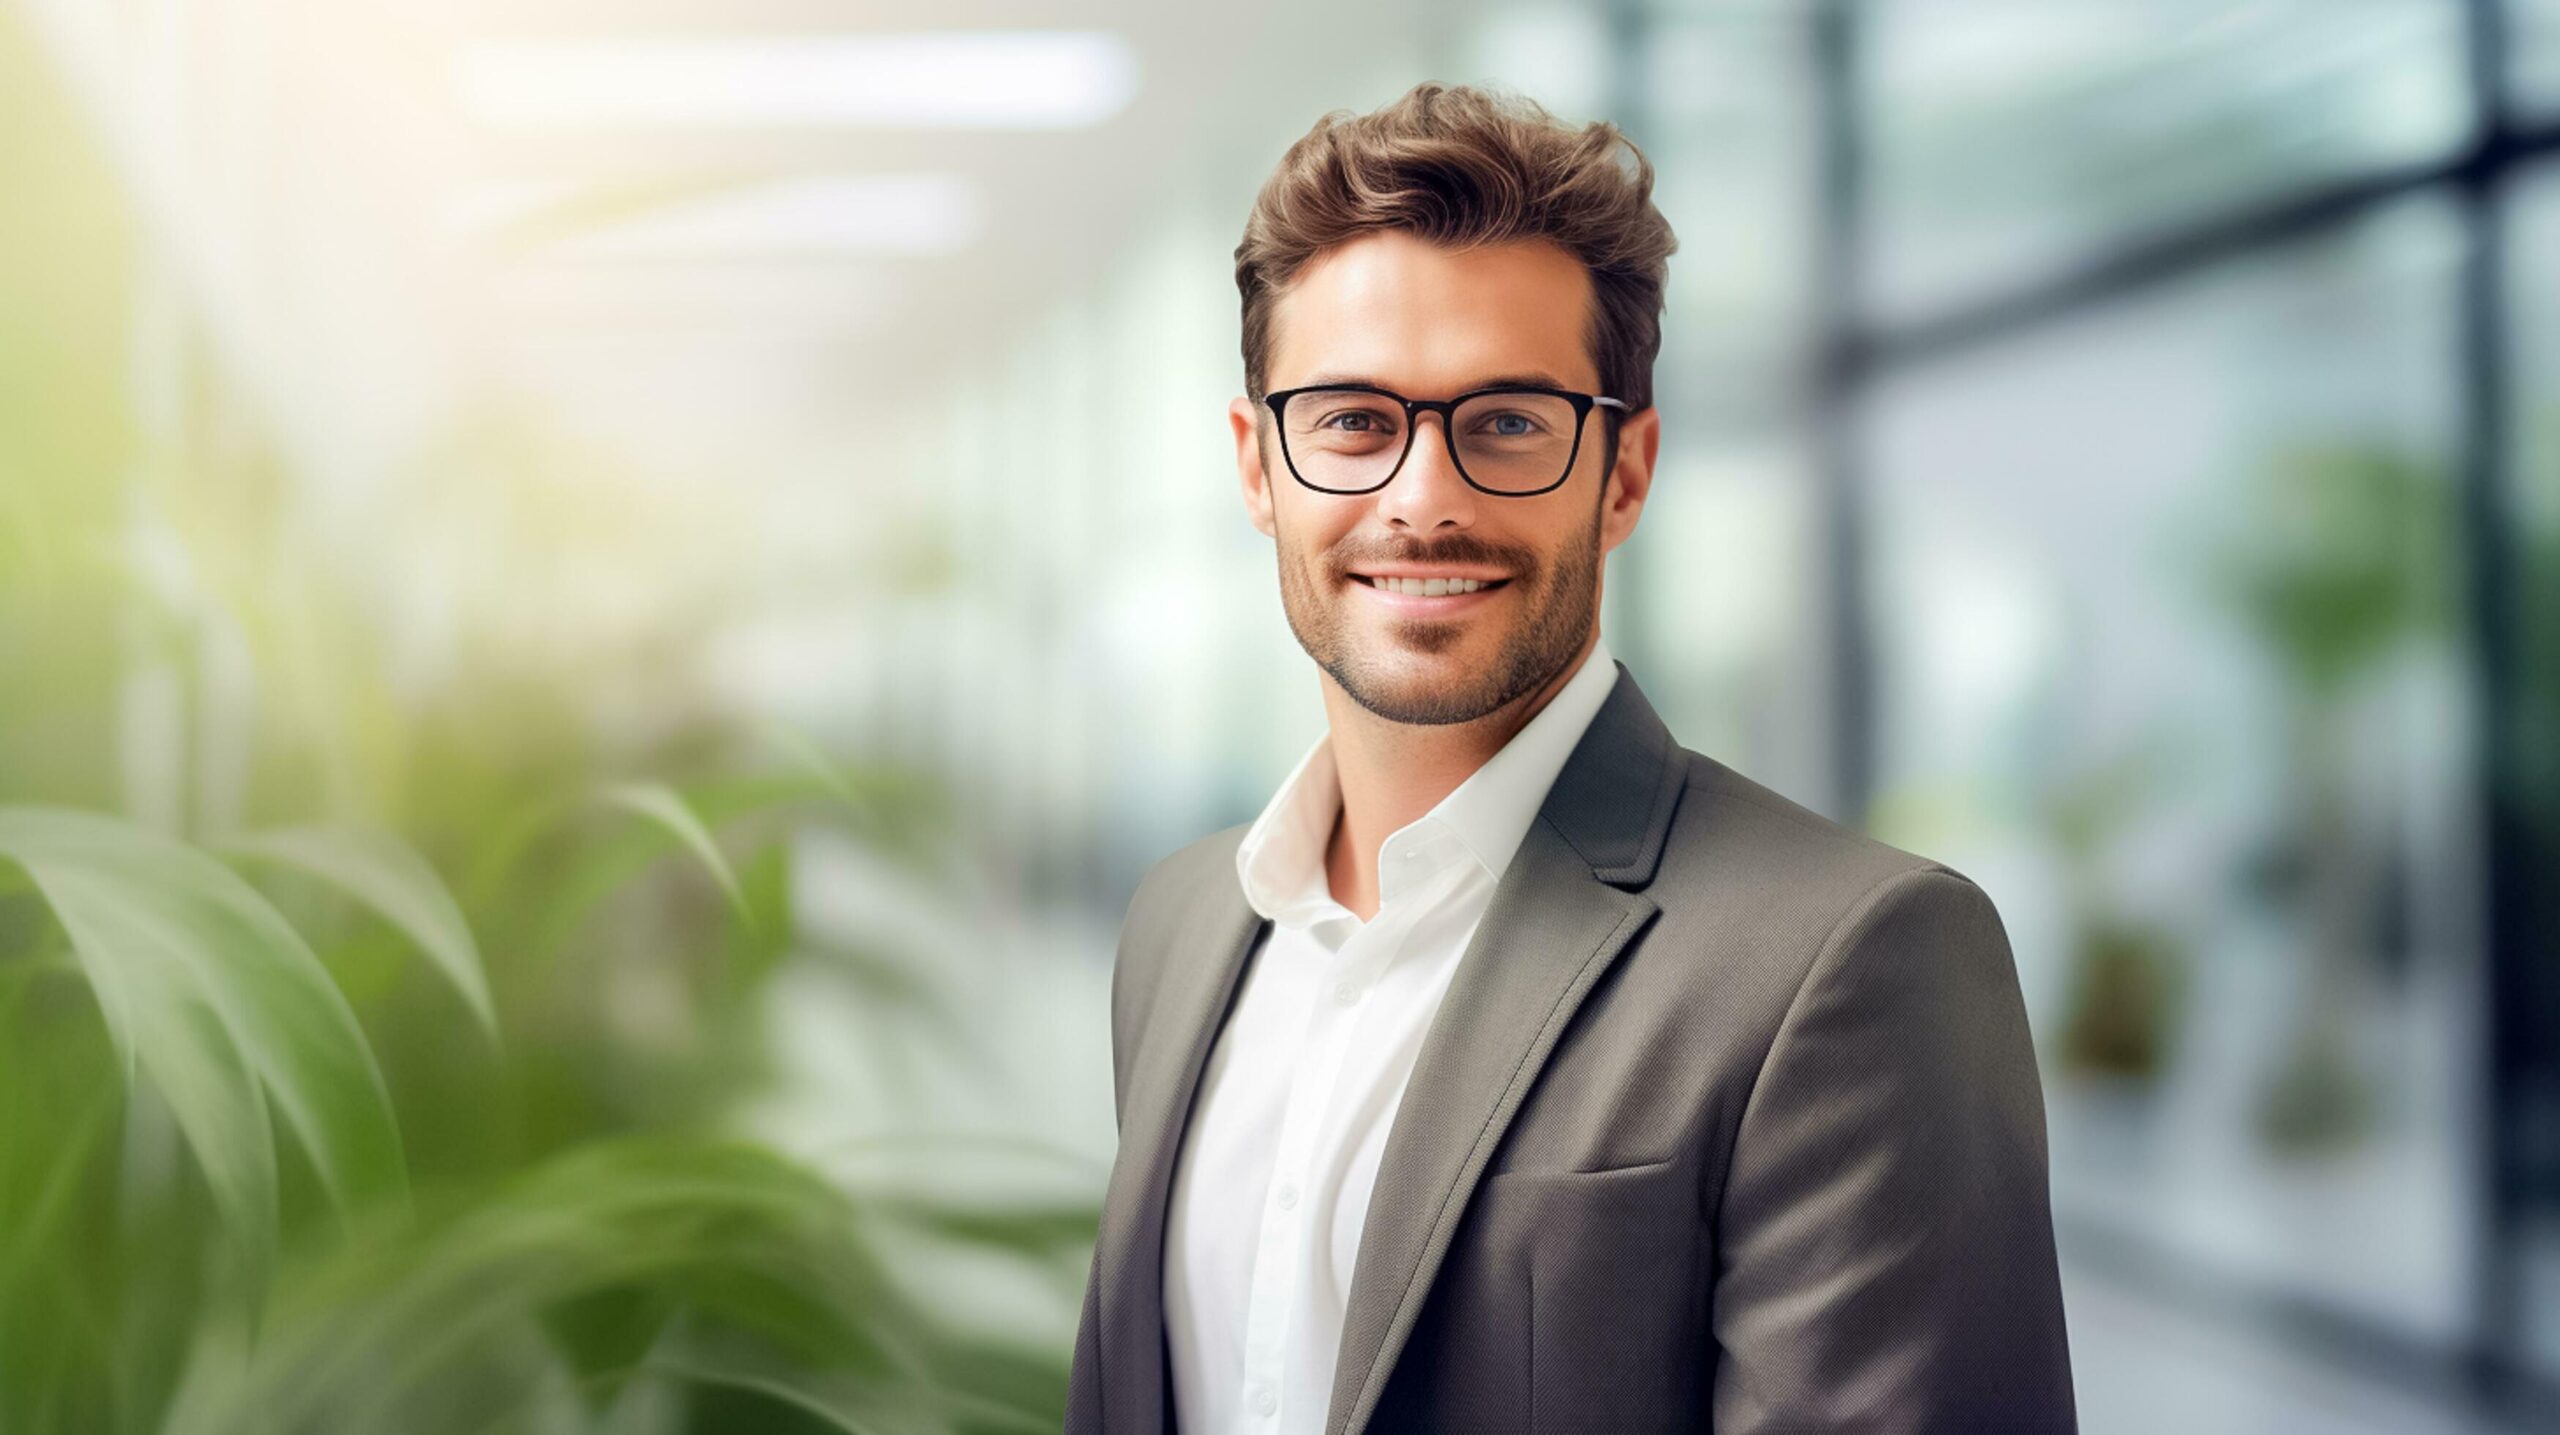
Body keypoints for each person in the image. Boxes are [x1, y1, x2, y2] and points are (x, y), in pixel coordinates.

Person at [1067, 81, 2075, 1434]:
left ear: (1627, 473)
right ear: (1259, 469)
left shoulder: (1854, 960)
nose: (1422, 498)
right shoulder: (1183, 926)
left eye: (1508, 423)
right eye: (1355, 422)